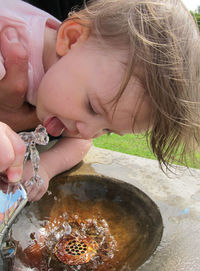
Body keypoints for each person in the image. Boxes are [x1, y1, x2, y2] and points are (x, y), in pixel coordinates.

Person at [0, 0, 200, 202]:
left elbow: (81, 142)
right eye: (92, 107)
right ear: (71, 39)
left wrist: (46, 166)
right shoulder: (9, 40)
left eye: (107, 130)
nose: (87, 132)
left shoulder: (81, 69)